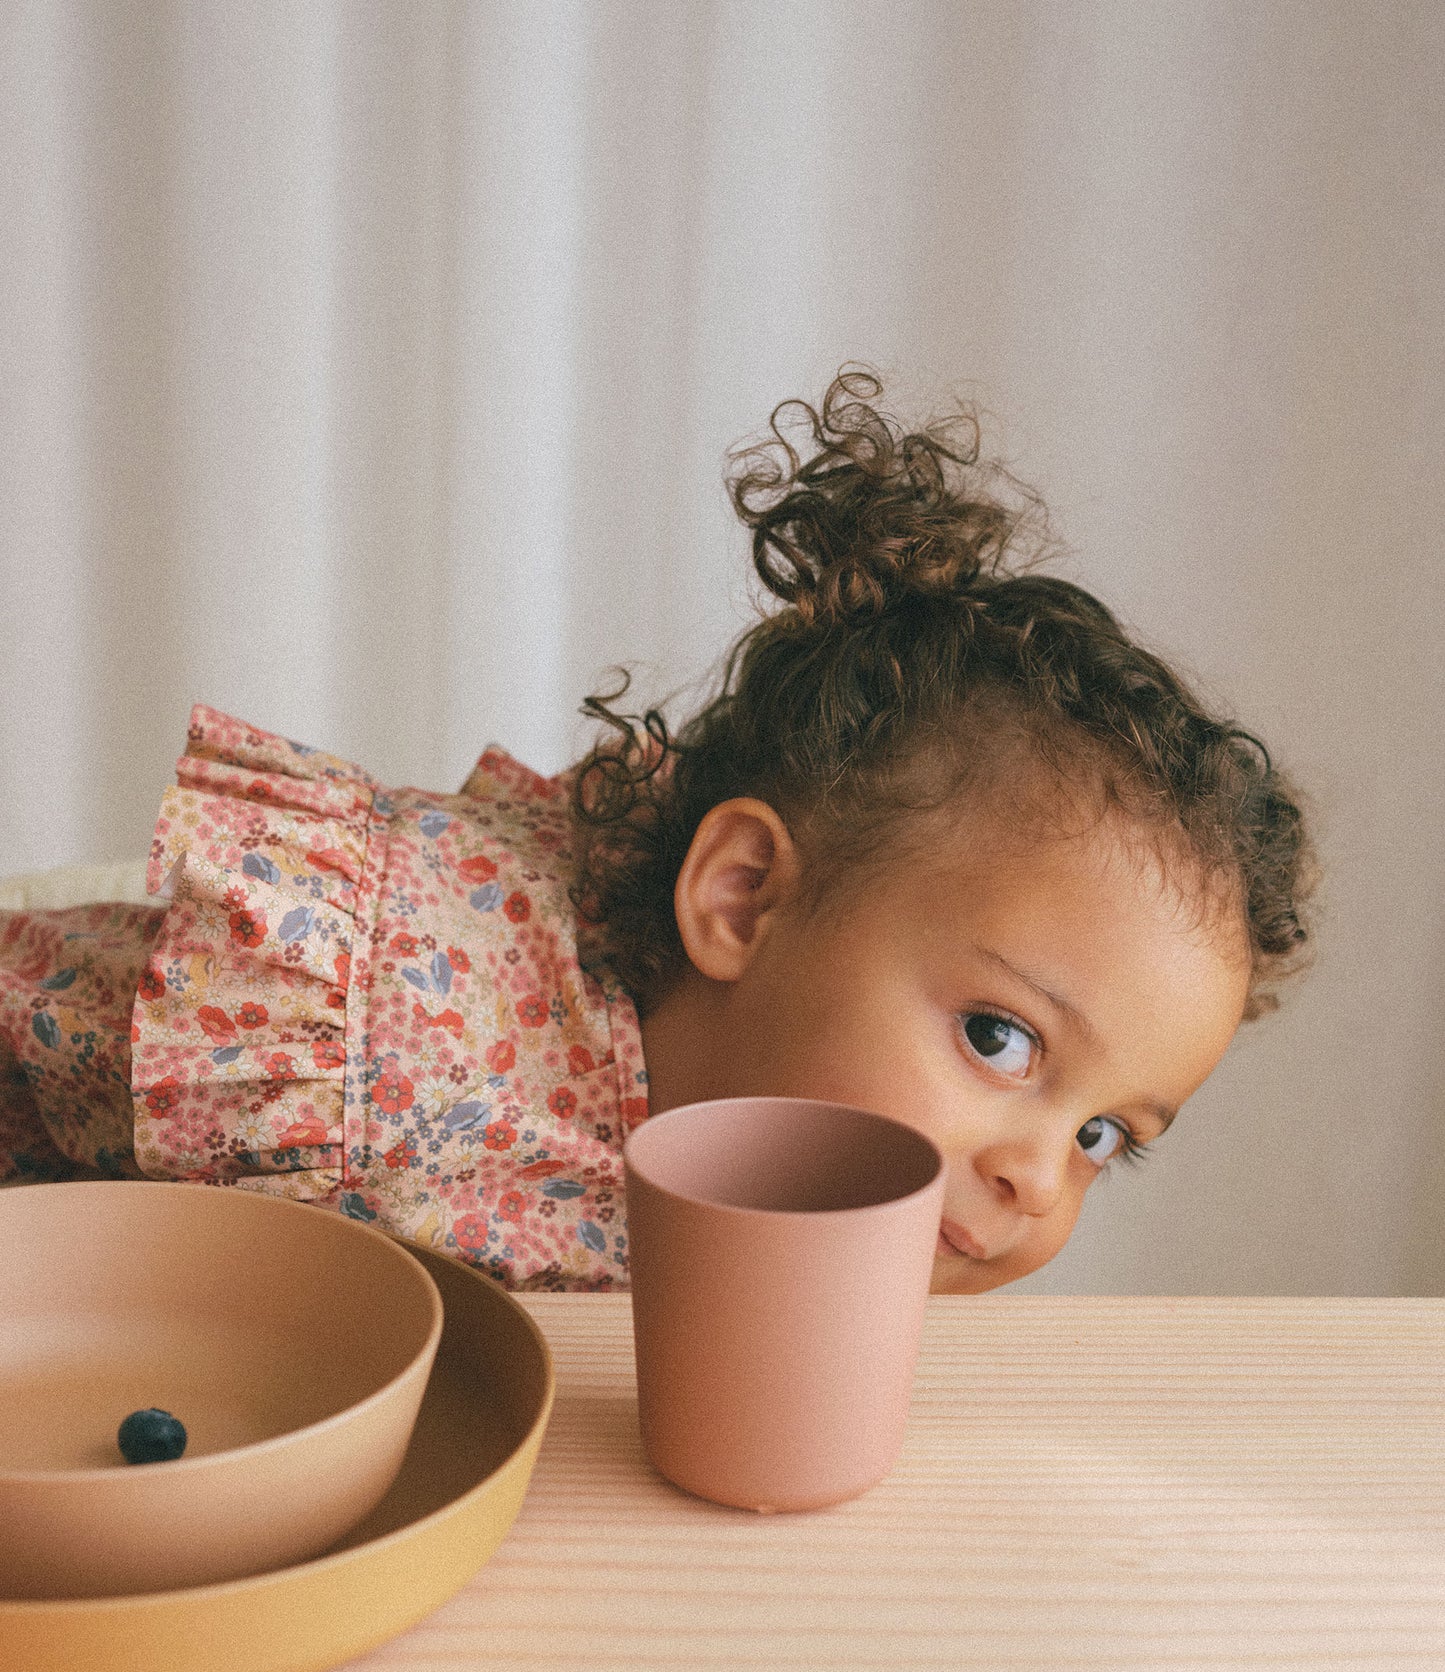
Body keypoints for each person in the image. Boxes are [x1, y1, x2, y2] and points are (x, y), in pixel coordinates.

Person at [0, 370, 1315, 1292]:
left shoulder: (805, 1244)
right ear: (743, 899)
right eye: (998, 1037)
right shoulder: (388, 1013)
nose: (1040, 1176)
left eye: (1104, 1137)